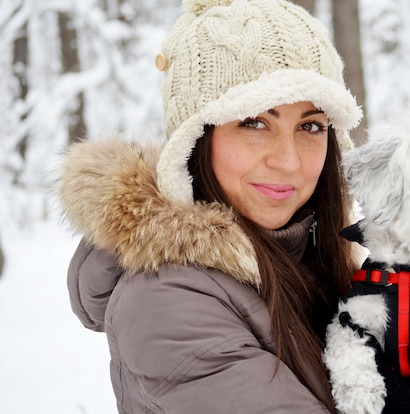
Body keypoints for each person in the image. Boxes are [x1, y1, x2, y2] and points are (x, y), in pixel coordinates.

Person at [57, 0, 361, 412]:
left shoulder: (320, 260)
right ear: (196, 139)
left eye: (310, 126)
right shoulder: (166, 298)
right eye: (254, 123)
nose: (288, 161)